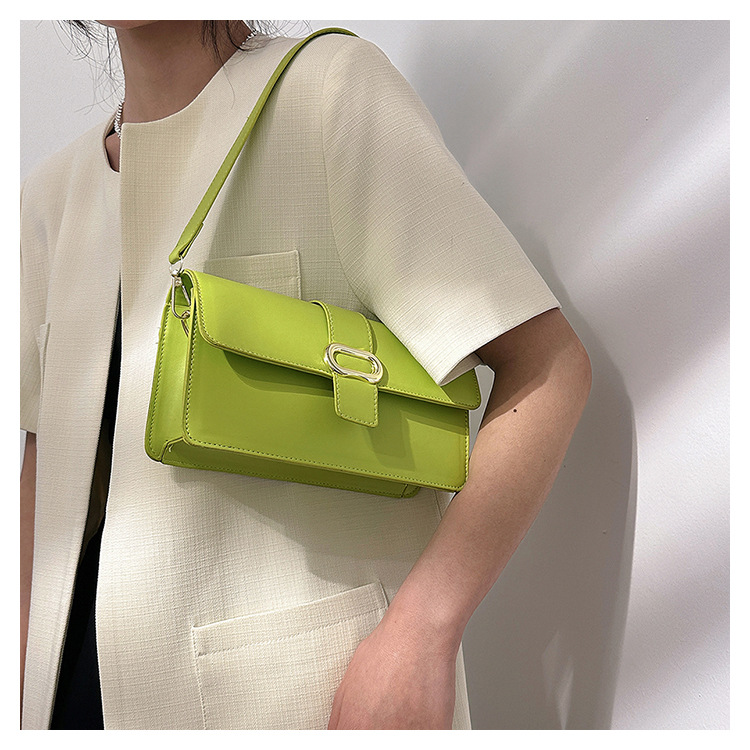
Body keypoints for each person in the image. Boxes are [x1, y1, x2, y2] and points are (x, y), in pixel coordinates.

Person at [20, 20, 592, 730]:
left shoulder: (329, 93)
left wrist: (424, 629)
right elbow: (45, 466)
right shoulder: (47, 201)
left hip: (295, 702)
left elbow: (548, 366)